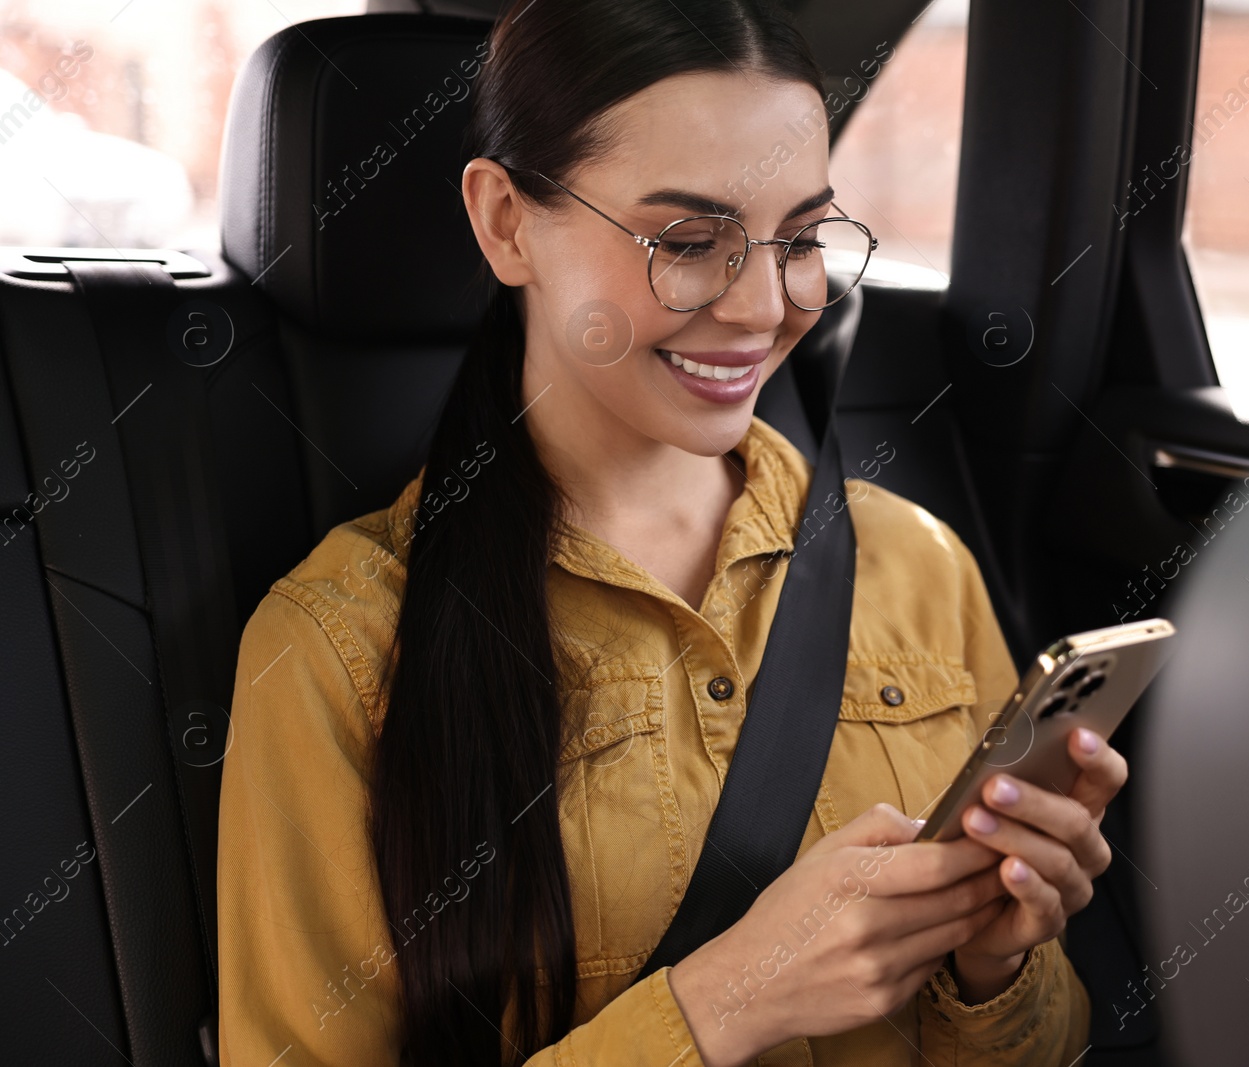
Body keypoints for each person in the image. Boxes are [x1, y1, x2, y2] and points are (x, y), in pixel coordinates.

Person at [216, 1, 1124, 1063]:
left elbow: (1046, 1046)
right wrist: (724, 1001)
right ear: (506, 220)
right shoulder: (335, 645)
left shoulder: (917, 563)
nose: (762, 305)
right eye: (690, 242)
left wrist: (996, 963)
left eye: (799, 239)